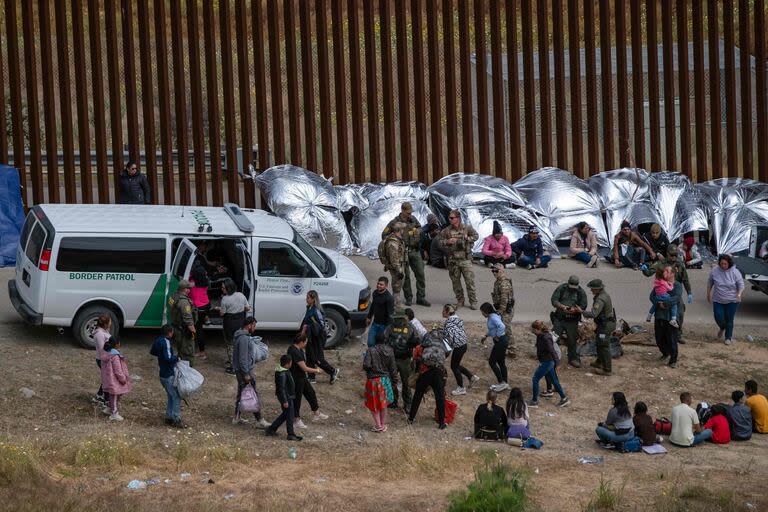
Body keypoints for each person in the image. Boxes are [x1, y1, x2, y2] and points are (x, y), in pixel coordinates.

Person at [382, 202, 430, 307]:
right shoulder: (394, 222)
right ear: (402, 210)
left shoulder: (413, 219)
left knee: (420, 274)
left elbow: (420, 229)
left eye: (410, 212)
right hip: (403, 253)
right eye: (407, 212)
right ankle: (409, 297)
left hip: (415, 251)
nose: (409, 214)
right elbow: (384, 235)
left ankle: (421, 297)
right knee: (406, 276)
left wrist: (417, 231)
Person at [232, 317, 270, 428]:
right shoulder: (243, 338)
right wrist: (246, 374)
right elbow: (243, 358)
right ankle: (259, 419)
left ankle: (236, 417)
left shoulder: (239, 335)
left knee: (241, 393)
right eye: (254, 325)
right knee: (253, 394)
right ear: (249, 325)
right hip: (244, 371)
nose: (255, 328)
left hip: (241, 370)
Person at [287, 334, 328, 430]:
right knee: (297, 399)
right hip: (296, 379)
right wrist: (317, 370)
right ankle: (296, 420)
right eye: (305, 342)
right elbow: (304, 368)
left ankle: (316, 413)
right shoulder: (294, 352)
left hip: (302, 377)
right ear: (301, 342)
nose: (306, 344)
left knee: (311, 393)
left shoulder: (297, 348)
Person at [407, 333, 448, 429]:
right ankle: (441, 422)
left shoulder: (419, 348)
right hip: (438, 373)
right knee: (440, 397)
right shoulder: (440, 347)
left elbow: (415, 360)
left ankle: (411, 418)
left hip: (425, 373)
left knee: (418, 395)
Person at [441, 209, 479, 309]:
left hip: (465, 259)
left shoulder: (466, 228)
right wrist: (448, 241)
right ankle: (460, 300)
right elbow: (439, 242)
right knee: (456, 283)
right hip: (453, 260)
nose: (450, 219)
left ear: (458, 218)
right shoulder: (447, 230)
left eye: (452, 218)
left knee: (470, 282)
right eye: (449, 218)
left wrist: (467, 239)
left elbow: (476, 236)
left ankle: (473, 301)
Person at [528, 320, 570, 408]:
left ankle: (534, 401)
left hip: (547, 362)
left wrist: (557, 363)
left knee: (535, 379)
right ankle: (564, 398)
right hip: (548, 361)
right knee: (554, 380)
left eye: (534, 329)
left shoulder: (546, 338)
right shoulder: (540, 335)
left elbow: (552, 350)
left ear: (538, 329)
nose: (532, 331)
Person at [149, 325, 185, 428]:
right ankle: (176, 418)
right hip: (168, 373)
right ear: (169, 333)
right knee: (176, 396)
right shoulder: (166, 342)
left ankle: (169, 416)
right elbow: (168, 358)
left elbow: (153, 352)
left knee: (171, 395)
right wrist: (177, 358)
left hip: (162, 374)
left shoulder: (158, 340)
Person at [363, 329, 399, 432]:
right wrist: (394, 382)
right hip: (385, 380)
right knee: (383, 404)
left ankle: (378, 426)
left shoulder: (370, 350)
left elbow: (366, 365)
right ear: (385, 340)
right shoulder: (390, 350)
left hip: (373, 381)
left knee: (373, 405)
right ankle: (382, 425)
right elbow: (393, 368)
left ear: (375, 340)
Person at [300, 290, 339, 384]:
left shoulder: (316, 311)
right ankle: (311, 377)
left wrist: (307, 327)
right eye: (307, 297)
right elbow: (306, 321)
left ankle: (333, 371)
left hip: (317, 338)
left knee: (317, 358)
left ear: (313, 299)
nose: (306, 299)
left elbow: (321, 326)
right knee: (309, 356)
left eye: (308, 298)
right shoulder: (309, 308)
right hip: (310, 337)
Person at [550, 275, 588, 368]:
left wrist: (575, 310)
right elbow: (554, 300)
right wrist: (562, 307)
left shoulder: (580, 292)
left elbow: (583, 305)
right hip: (560, 318)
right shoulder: (562, 288)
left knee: (572, 340)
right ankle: (550, 357)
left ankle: (573, 358)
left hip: (572, 320)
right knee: (554, 338)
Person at [707, 254, 744, 345]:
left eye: (725, 264)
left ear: (729, 263)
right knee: (718, 316)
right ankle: (722, 327)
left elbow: (741, 285)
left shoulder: (735, 272)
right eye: (721, 264)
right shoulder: (715, 271)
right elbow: (710, 282)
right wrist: (708, 293)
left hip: (732, 300)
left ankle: (728, 337)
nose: (723, 266)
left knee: (729, 319)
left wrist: (739, 294)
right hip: (718, 299)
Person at [582, 279, 616, 376]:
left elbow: (593, 314)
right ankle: (599, 362)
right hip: (604, 324)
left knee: (604, 346)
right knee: (599, 343)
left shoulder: (600, 299)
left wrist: (582, 311)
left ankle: (607, 369)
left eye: (592, 289)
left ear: (598, 289)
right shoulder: (603, 295)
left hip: (605, 326)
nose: (591, 291)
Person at [216, 278, 251, 374]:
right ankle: (238, 361)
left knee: (230, 345)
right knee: (239, 343)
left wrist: (219, 308)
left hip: (229, 324)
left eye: (223, 288)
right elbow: (247, 308)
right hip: (240, 323)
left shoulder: (225, 299)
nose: (222, 289)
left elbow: (222, 313)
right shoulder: (241, 295)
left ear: (229, 288)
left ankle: (233, 367)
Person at [386, 312, 418, 413]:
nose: (395, 321)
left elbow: (418, 341)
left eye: (397, 319)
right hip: (393, 359)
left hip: (405, 360)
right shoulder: (390, 328)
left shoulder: (411, 328)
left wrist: (414, 342)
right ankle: (393, 400)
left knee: (406, 383)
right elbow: (384, 339)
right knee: (392, 381)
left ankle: (408, 404)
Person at [265, 354, 302, 441]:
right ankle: (291, 434)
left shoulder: (283, 370)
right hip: (287, 397)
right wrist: (285, 401)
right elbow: (281, 389)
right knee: (289, 416)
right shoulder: (282, 374)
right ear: (288, 363)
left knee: (286, 414)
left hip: (287, 396)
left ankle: (271, 429)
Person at [443, 304, 478, 396]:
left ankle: (461, 388)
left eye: (443, 311)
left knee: (454, 367)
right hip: (464, 345)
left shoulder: (448, 323)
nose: (442, 312)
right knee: (456, 365)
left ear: (447, 312)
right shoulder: (458, 319)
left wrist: (445, 353)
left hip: (458, 347)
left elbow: (448, 338)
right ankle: (471, 377)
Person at [652, 266, 683, 368]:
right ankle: (665, 353)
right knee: (659, 338)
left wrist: (664, 303)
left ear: (672, 274)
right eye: (664, 270)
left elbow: (676, 298)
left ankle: (673, 359)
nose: (664, 272)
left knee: (672, 339)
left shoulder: (677, 285)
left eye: (667, 271)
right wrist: (658, 303)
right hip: (660, 316)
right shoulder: (660, 283)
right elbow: (652, 296)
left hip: (671, 317)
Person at [100, 336, 132, 421]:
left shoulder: (107, 353)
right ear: (117, 344)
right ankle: (114, 413)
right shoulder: (115, 356)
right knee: (114, 396)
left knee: (112, 395)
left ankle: (109, 408)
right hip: (114, 380)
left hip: (108, 378)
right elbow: (118, 370)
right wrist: (123, 379)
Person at [168, 280, 197, 367]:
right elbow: (187, 318)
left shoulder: (173, 296)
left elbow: (170, 306)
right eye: (188, 288)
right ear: (185, 289)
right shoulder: (184, 302)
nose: (190, 290)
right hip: (184, 330)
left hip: (176, 327)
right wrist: (193, 331)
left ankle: (181, 365)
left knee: (181, 349)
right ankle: (188, 370)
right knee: (188, 351)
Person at [480, 303, 509, 393]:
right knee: (501, 362)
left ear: (486, 311)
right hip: (502, 341)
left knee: (492, 361)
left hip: (501, 341)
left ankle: (501, 382)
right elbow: (493, 329)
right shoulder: (492, 316)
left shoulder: (493, 317)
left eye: (482, 312)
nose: (482, 314)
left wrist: (498, 336)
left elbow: (502, 326)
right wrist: (486, 335)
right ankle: (504, 382)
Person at [490, 263, 516, 358]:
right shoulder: (498, 281)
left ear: (502, 271)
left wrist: (500, 311)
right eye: (493, 271)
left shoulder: (504, 283)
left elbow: (504, 300)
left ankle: (512, 349)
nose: (494, 273)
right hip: (501, 309)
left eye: (496, 271)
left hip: (505, 310)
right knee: (501, 329)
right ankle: (503, 347)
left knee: (506, 329)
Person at [188, 267, 210, 361]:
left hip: (197, 307)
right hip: (206, 305)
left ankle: (202, 352)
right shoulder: (206, 281)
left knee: (198, 329)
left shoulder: (191, 283)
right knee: (200, 325)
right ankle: (206, 317)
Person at [383, 223, 407, 305]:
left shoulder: (397, 239)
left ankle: (395, 305)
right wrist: (399, 270)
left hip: (399, 266)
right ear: (399, 230)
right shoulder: (393, 243)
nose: (404, 231)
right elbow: (394, 260)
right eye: (403, 229)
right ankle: (395, 306)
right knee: (396, 289)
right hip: (396, 269)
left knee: (398, 287)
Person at [366, 276, 394, 348]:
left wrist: (387, 329)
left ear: (386, 286)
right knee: (370, 343)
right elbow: (373, 306)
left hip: (383, 326)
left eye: (381, 284)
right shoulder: (375, 293)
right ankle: (372, 356)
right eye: (378, 283)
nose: (378, 285)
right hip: (375, 324)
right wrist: (369, 317)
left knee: (380, 345)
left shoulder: (389, 298)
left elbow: (390, 315)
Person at [92, 314, 112, 409]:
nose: (111, 323)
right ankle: (106, 400)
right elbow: (102, 349)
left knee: (106, 377)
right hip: (103, 359)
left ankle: (99, 396)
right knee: (108, 379)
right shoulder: (100, 334)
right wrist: (109, 358)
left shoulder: (104, 331)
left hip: (105, 358)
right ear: (105, 323)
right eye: (110, 321)